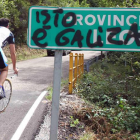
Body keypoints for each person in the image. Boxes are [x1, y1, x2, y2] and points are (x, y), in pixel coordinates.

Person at [0, 18, 18, 98]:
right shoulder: (9, 33)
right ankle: (0, 87)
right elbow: (12, 52)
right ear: (8, 26)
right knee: (5, 69)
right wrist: (14, 68)